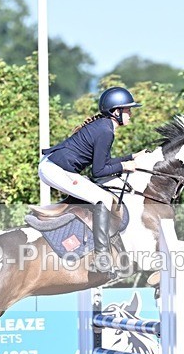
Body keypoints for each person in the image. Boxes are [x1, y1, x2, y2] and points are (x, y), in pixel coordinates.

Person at [39, 86, 142, 274]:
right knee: (104, 199)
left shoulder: (104, 126)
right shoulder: (106, 131)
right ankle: (102, 258)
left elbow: (104, 162)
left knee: (94, 194)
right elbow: (99, 171)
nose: (131, 114)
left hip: (54, 166)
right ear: (116, 112)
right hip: (55, 169)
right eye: (128, 110)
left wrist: (130, 157)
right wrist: (124, 166)